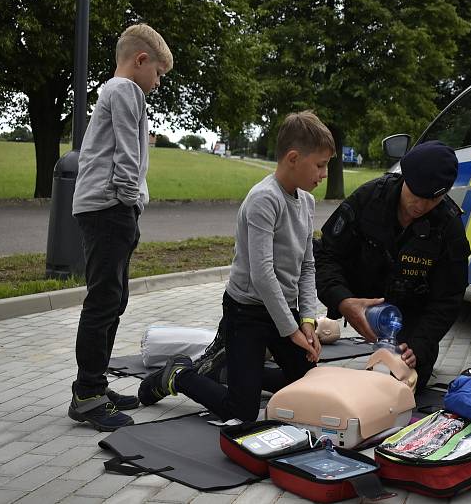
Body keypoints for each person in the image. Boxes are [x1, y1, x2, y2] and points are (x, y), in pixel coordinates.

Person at [138, 111, 334, 423]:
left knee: (307, 383)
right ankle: (179, 374)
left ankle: (231, 371)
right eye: (320, 165)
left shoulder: (307, 202)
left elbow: (308, 264)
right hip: (247, 313)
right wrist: (293, 331)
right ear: (294, 158)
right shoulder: (263, 200)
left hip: (283, 311)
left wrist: (308, 320)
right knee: (242, 411)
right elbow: (262, 274)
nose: (324, 174)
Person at [68, 24, 172, 431]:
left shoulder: (114, 92)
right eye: (159, 74)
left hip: (109, 207)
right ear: (140, 60)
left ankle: (93, 385)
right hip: (110, 207)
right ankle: (88, 396)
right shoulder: (126, 91)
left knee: (113, 299)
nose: (158, 83)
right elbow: (128, 156)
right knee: (104, 301)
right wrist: (132, 202)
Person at [315, 140, 471, 392]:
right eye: (416, 195)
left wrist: (420, 344)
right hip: (358, 297)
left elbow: (449, 297)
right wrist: (343, 301)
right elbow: (324, 255)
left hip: (409, 315)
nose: (420, 206)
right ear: (404, 179)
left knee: (403, 383)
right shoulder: (367, 199)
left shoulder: (448, 225)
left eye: (432, 200)